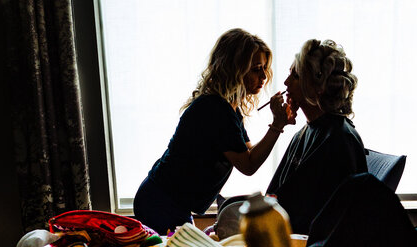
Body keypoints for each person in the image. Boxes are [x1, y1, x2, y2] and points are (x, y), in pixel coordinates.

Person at [133, 28, 296, 234]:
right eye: (256, 69)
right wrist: (277, 126)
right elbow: (248, 165)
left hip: (167, 199)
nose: (264, 76)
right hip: (160, 201)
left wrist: (277, 126)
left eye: (264, 68)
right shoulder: (216, 109)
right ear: (235, 68)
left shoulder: (228, 108)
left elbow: (247, 152)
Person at [265, 39, 367, 235]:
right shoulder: (302, 134)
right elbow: (276, 196)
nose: (286, 83)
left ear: (316, 86)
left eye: (295, 76)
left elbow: (332, 220)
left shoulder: (341, 141)